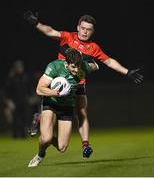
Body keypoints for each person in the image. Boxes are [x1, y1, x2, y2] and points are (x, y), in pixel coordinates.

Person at [24, 11, 143, 157]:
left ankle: (85, 145)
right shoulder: (68, 37)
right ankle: (41, 118)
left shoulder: (93, 48)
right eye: (83, 28)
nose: (85, 32)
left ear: (92, 31)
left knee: (82, 112)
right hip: (59, 83)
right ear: (78, 27)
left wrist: (127, 72)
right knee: (53, 114)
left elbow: (109, 61)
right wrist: (36, 23)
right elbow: (50, 31)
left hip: (78, 84)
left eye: (89, 29)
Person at [28, 48, 92, 167]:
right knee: (46, 139)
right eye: (73, 67)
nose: (76, 70)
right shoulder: (54, 66)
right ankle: (40, 155)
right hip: (51, 103)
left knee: (62, 148)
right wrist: (57, 93)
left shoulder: (82, 67)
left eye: (78, 66)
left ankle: (39, 119)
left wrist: (94, 64)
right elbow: (39, 89)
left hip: (67, 107)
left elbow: (94, 66)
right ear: (66, 63)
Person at [4, 60, 30, 138]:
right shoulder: (11, 77)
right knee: (15, 118)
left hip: (23, 101)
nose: (20, 69)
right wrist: (8, 100)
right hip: (14, 101)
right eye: (18, 67)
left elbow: (27, 89)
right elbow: (7, 90)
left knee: (24, 117)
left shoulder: (25, 77)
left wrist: (29, 97)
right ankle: (15, 134)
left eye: (21, 67)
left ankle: (23, 134)